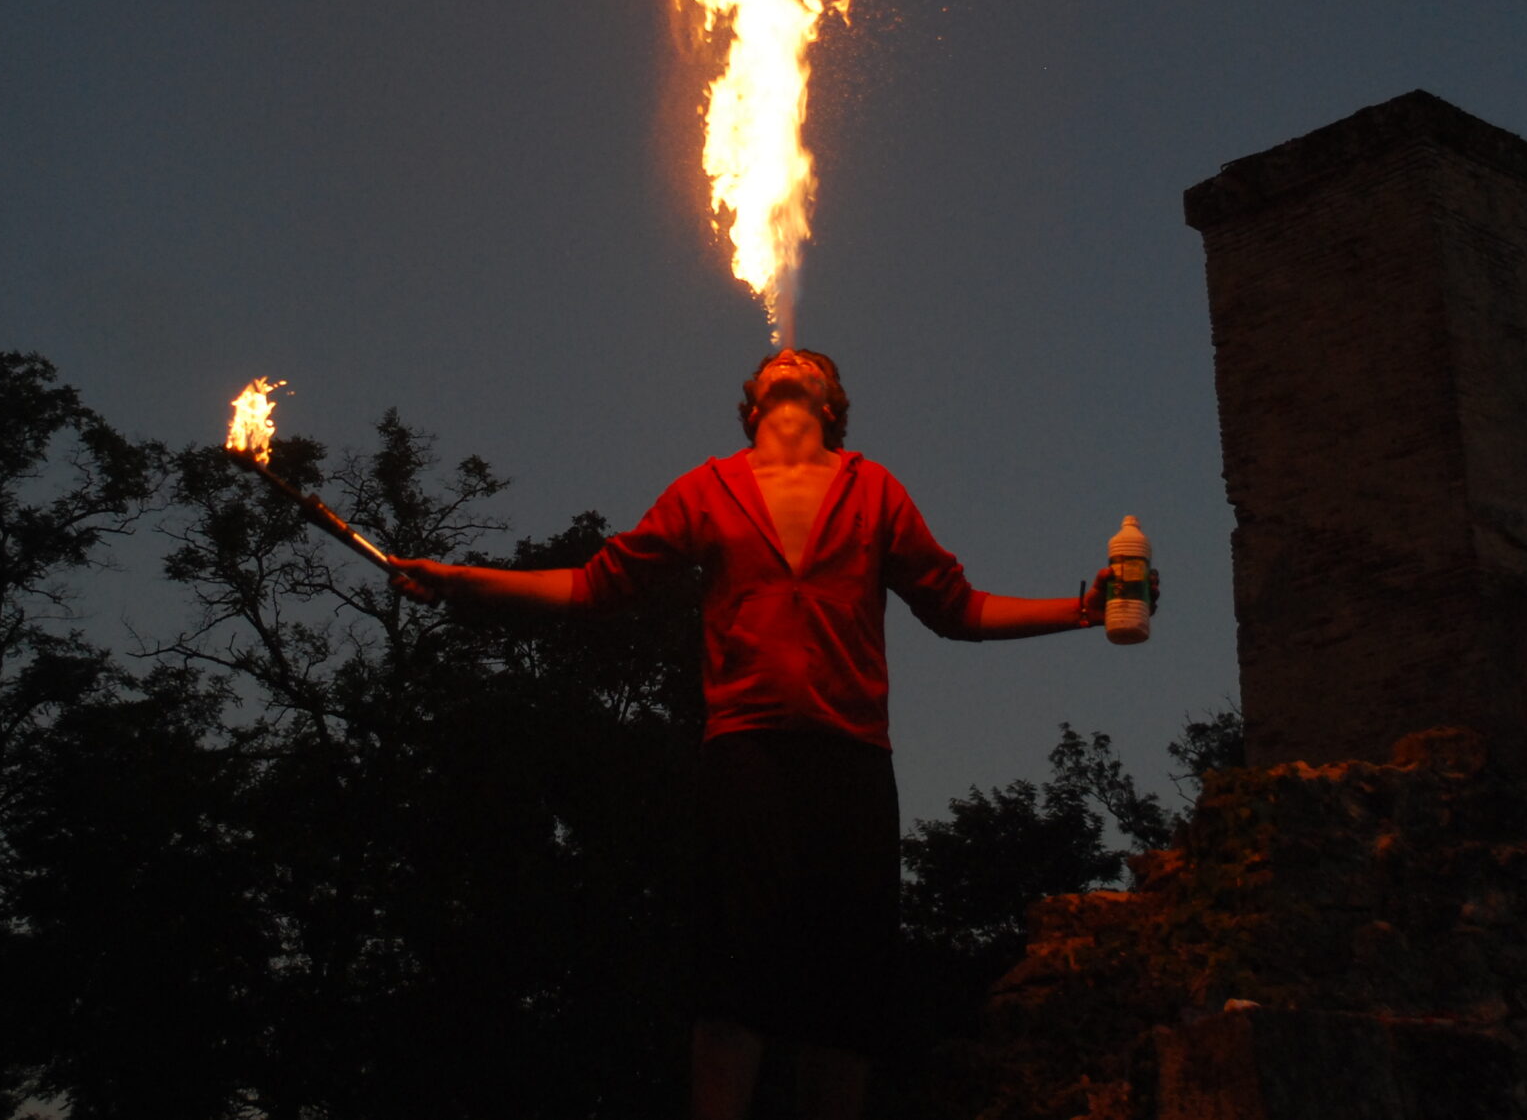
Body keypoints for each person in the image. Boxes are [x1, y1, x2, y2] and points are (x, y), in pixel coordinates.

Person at [389, 348, 1133, 1120]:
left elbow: (957, 609)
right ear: (751, 405)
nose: (791, 359)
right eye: (777, 362)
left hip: (852, 758)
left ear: (833, 402)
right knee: (733, 983)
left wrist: (1080, 608)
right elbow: (593, 586)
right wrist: (462, 581)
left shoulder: (873, 490)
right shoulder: (705, 491)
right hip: (745, 753)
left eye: (811, 363)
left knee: (845, 1001)